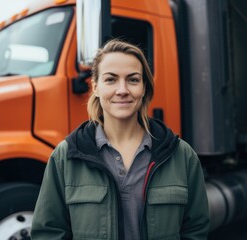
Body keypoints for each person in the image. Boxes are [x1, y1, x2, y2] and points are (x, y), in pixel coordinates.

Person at [31, 39, 210, 240]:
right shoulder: (65, 157)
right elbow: (48, 233)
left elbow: (196, 230)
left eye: (133, 80)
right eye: (111, 79)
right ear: (96, 87)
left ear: (143, 88)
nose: (122, 90)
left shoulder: (181, 155)